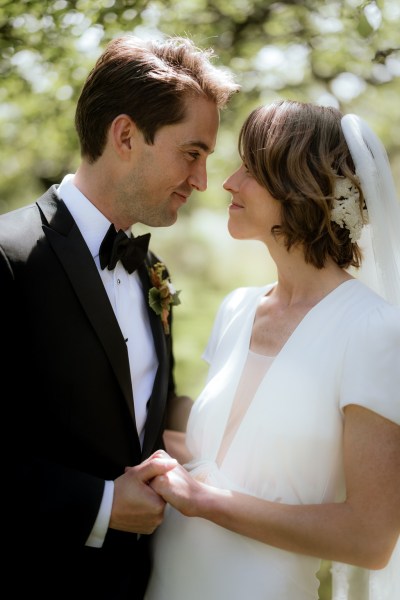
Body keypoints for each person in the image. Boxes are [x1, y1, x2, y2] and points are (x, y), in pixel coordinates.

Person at [1, 35, 239, 599]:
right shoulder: (6, 256)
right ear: (126, 135)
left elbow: (147, 420)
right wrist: (102, 504)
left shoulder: (152, 270)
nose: (202, 181)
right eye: (192, 153)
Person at [144, 101, 400, 600]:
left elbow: (369, 539)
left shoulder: (374, 330)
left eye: (252, 170)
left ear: (301, 186)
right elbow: (227, 454)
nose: (228, 183)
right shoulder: (237, 308)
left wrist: (205, 501)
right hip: (165, 581)